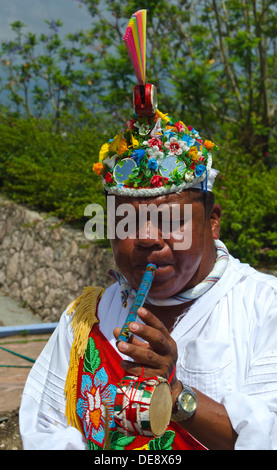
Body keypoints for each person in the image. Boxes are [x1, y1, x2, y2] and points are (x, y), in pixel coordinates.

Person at [19, 12, 277, 451]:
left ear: (212, 221)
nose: (147, 238)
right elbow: (44, 429)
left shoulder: (264, 308)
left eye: (172, 221)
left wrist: (174, 395)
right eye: (128, 222)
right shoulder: (88, 319)